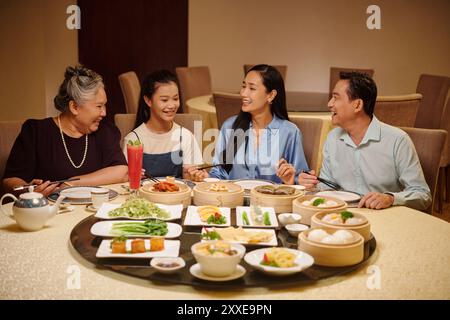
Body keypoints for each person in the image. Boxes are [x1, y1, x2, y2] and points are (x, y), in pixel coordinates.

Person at [298, 72, 431, 211]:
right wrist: (310, 184)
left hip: (386, 219)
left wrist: (390, 198)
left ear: (357, 105)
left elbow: (423, 194)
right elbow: (326, 187)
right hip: (342, 217)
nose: (329, 104)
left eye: (335, 98)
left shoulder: (397, 140)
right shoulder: (333, 138)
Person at [2, 65, 128, 197]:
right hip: (48, 211)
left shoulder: (104, 131)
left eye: (104, 105)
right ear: (74, 107)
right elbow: (10, 180)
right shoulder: (36, 132)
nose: (104, 113)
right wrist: (28, 191)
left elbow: (121, 171)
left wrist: (71, 184)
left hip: (95, 209)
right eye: (99, 106)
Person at [189, 64, 309, 184]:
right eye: (243, 86)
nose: (243, 93)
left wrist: (292, 179)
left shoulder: (289, 132)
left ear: (271, 95)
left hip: (272, 200)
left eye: (252, 88)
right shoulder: (230, 126)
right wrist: (206, 177)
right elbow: (220, 173)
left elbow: (299, 178)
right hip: (234, 200)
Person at [122, 69, 205, 181]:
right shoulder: (134, 140)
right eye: (164, 100)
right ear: (148, 101)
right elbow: (127, 182)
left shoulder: (185, 136)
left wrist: (194, 175)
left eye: (175, 98)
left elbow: (190, 178)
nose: (171, 105)